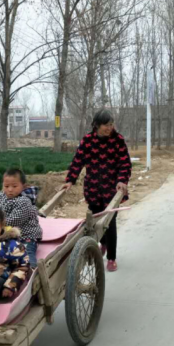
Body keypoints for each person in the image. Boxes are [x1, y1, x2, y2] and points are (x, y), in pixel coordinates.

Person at [60, 109, 131, 272]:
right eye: (106, 125)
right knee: (97, 220)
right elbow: (77, 161)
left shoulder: (118, 140)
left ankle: (111, 258)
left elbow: (125, 163)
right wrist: (70, 180)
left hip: (113, 188)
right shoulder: (87, 141)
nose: (110, 128)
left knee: (110, 222)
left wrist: (122, 180)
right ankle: (104, 243)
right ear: (97, 125)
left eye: (111, 125)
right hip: (93, 189)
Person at [0, 168, 43, 267]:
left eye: (14, 186)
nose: (10, 189)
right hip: (8, 234)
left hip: (26, 235)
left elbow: (14, 220)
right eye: (6, 186)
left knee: (26, 252)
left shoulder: (24, 201)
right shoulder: (1, 196)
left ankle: (32, 271)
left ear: (23, 186)